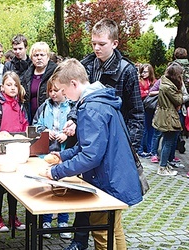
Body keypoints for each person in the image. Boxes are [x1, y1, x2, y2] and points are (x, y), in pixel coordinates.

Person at [64, 18, 144, 250]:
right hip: (88, 143)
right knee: (85, 198)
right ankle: (78, 241)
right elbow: (78, 99)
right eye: (93, 43)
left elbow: (137, 114)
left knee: (106, 218)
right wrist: (72, 119)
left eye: (101, 44)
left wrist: (127, 152)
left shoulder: (126, 70)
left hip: (112, 151)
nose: (96, 48)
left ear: (115, 43)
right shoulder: (87, 64)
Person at [45, 58, 142, 249]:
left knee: (102, 232)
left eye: (64, 90)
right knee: (115, 230)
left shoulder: (91, 108)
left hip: (107, 181)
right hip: (116, 176)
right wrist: (63, 156)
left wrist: (56, 172)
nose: (64, 95)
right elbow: (88, 146)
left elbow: (90, 156)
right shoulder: (99, 100)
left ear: (74, 83)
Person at [32, 77, 76, 239]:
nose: (52, 94)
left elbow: (77, 128)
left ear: (64, 90)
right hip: (47, 154)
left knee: (64, 187)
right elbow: (35, 124)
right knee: (47, 187)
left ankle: (63, 220)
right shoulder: (44, 106)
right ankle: (46, 219)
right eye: (50, 91)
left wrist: (67, 135)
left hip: (65, 154)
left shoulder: (72, 107)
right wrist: (45, 131)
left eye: (55, 90)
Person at [0, 71, 28, 232]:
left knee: (15, 186)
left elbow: (25, 124)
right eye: (9, 85)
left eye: (15, 85)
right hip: (1, 151)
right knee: (0, 186)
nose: (12, 88)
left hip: (16, 149)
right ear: (2, 87)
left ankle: (13, 217)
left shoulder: (21, 105)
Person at [152, 63, 184, 176]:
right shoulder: (169, 87)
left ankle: (164, 164)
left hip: (164, 114)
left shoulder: (164, 83)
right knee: (168, 142)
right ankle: (162, 167)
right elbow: (179, 100)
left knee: (166, 140)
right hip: (168, 117)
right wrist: (180, 91)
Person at [21, 41, 57, 124]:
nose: (39, 58)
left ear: (48, 57)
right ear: (31, 58)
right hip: (30, 117)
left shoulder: (55, 73)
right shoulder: (27, 75)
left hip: (50, 117)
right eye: (36, 55)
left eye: (42, 55)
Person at [138, 63, 157, 157]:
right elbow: (140, 93)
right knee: (144, 129)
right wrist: (149, 92)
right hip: (143, 107)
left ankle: (149, 149)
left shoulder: (154, 81)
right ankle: (140, 150)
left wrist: (150, 92)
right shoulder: (140, 81)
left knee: (151, 129)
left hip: (152, 108)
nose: (143, 74)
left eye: (145, 72)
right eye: (142, 72)